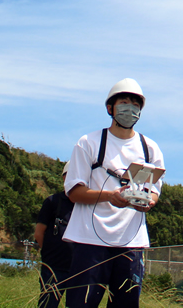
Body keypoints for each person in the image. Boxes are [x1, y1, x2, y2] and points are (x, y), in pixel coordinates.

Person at [63, 79, 165, 308]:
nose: (130, 109)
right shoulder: (88, 143)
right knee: (81, 303)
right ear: (110, 108)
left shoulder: (150, 149)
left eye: (135, 104)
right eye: (124, 102)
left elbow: (154, 192)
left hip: (130, 242)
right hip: (89, 240)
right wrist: (109, 196)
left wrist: (147, 203)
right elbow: (74, 191)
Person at [34, 163, 75, 308]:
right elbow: (39, 233)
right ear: (64, 178)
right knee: (48, 304)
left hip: (79, 268)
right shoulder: (53, 202)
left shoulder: (86, 205)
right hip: (53, 268)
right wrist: (50, 255)